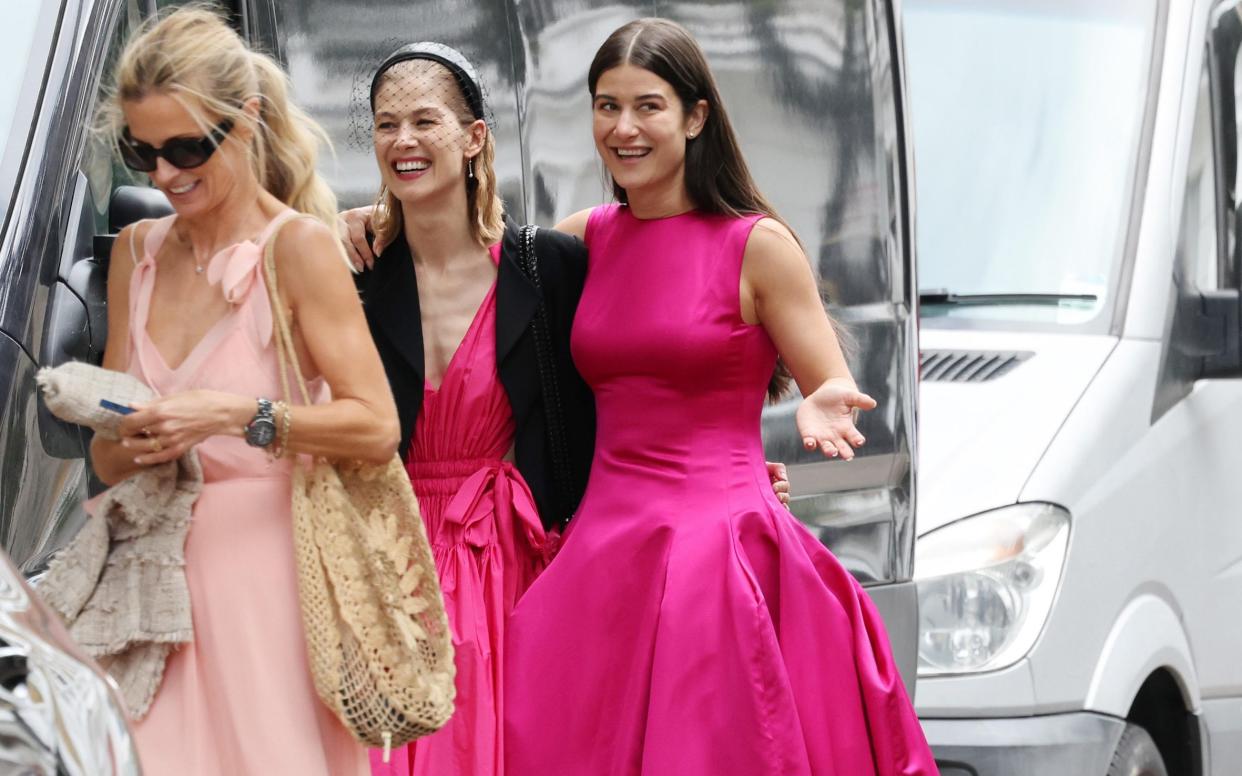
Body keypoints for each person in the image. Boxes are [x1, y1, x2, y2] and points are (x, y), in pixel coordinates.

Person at [503, 18, 939, 775]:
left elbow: (830, 378)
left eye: (648, 106)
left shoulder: (756, 244)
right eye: (607, 106)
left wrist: (819, 402)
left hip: (717, 549)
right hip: (602, 551)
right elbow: (466, 277)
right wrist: (365, 225)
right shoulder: (583, 240)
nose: (624, 127)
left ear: (696, 116)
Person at [344, 42, 794, 776]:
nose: (403, 141)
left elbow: (634, 357)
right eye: (386, 125)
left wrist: (721, 462)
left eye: (425, 120)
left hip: (514, 560)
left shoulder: (548, 264)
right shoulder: (351, 275)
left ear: (474, 139)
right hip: (387, 553)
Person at [91, 8, 396, 775]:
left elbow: (375, 426)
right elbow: (103, 461)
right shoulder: (138, 252)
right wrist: (127, 437)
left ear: (247, 118)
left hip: (265, 592)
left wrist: (236, 416)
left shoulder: (297, 248)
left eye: (189, 147)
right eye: (143, 152)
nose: (164, 174)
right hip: (146, 597)